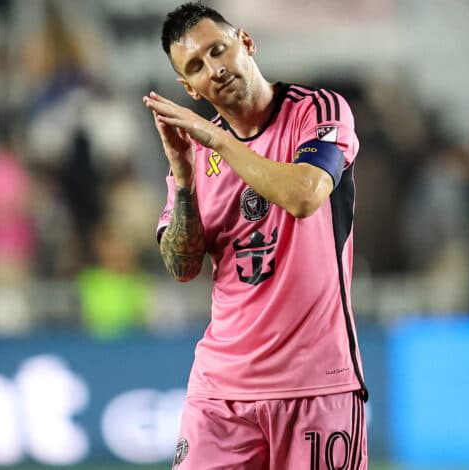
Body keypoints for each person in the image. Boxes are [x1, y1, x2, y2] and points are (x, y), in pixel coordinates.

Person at [143, 3, 368, 468]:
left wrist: (223, 143)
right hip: (222, 391)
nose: (215, 69)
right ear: (190, 89)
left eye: (218, 50)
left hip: (315, 385)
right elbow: (181, 267)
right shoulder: (196, 154)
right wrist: (184, 180)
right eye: (197, 67)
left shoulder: (317, 111)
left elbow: (305, 194)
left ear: (246, 42)